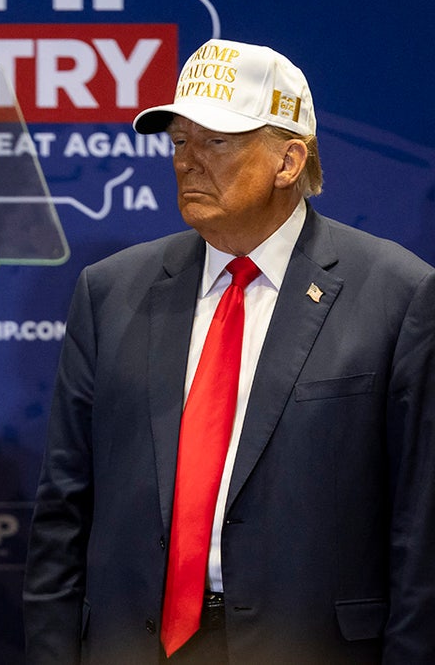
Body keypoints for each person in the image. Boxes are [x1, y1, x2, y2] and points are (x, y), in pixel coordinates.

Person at [22, 39, 435, 663]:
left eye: (217, 142)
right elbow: (63, 510)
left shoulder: (398, 294)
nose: (188, 161)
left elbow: (422, 529)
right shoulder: (109, 292)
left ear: (289, 160)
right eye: (179, 141)